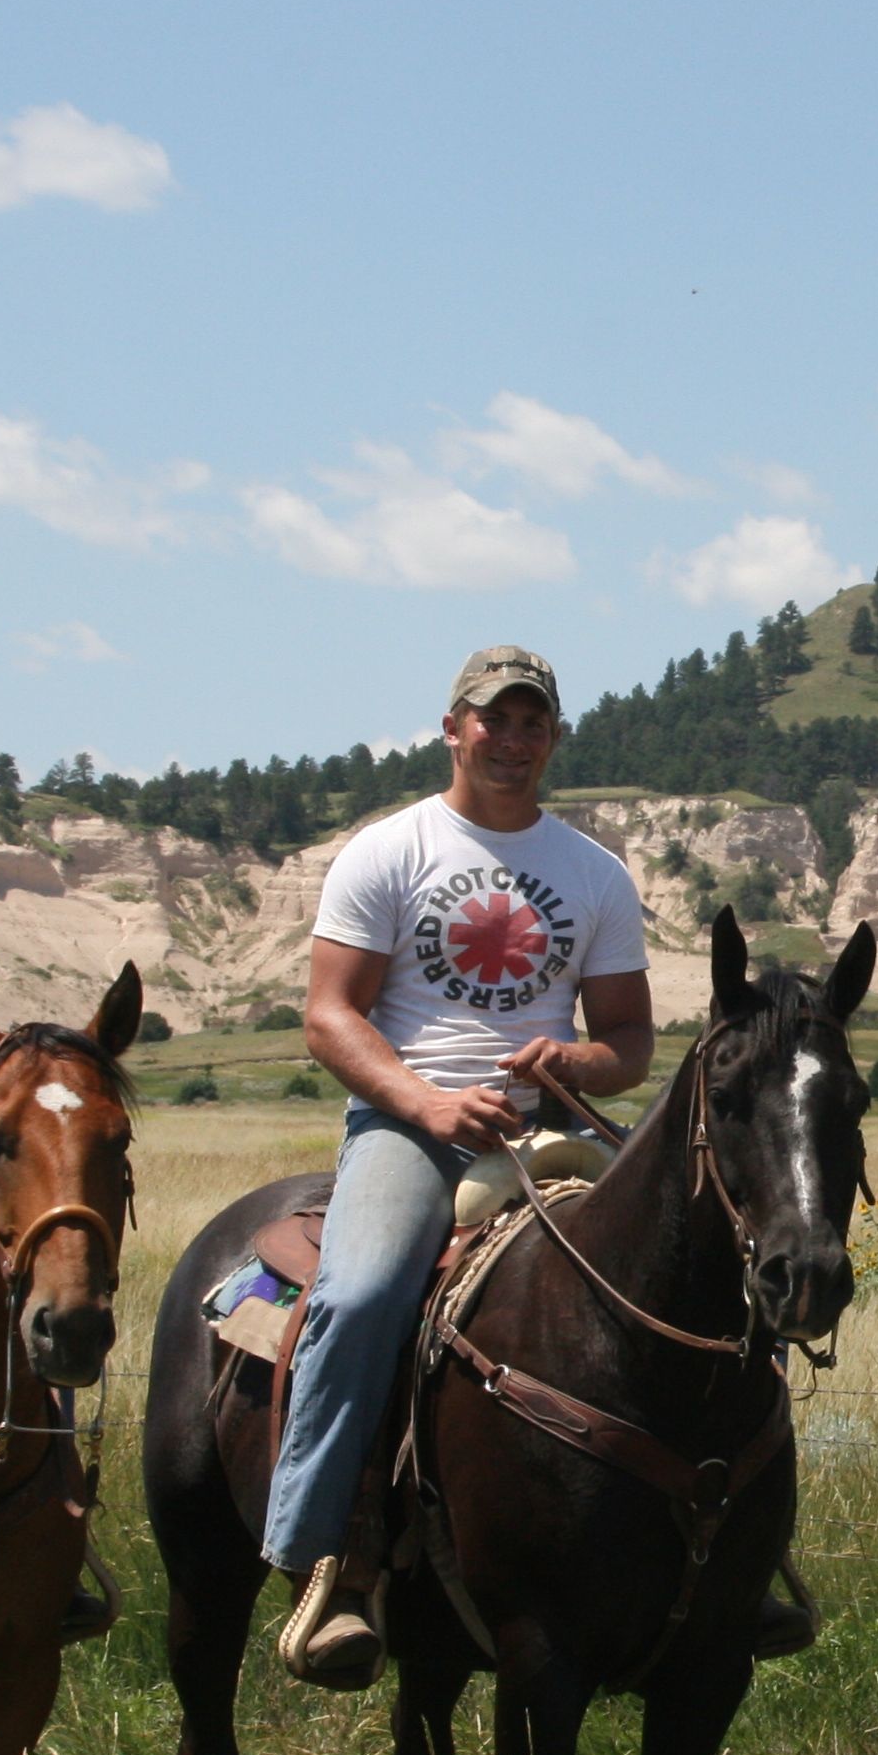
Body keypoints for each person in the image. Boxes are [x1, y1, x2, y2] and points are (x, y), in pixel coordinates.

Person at [264, 645, 657, 1688]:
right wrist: (427, 1102)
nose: (513, 741)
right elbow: (330, 1014)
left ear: (553, 738)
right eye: (495, 720)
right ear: (453, 728)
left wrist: (574, 1060)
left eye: (533, 724)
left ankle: (719, 1553)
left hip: (550, 1130)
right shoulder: (389, 851)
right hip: (413, 1126)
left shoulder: (596, 873)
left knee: (687, 1266)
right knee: (363, 1292)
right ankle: (333, 1556)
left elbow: (629, 1040)